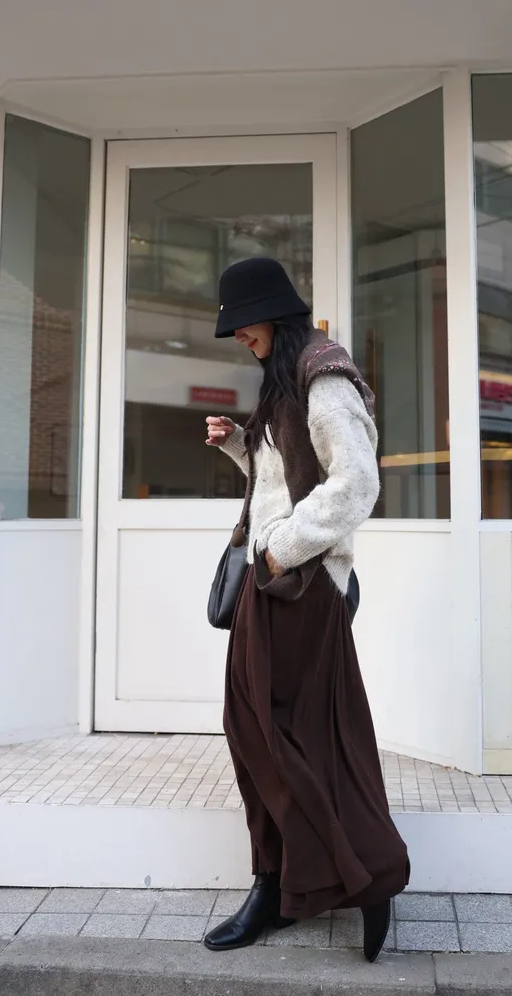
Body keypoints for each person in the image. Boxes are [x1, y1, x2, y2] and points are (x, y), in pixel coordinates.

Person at [203, 257, 409, 963]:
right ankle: (285, 883)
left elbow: (356, 483)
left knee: (292, 740)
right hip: (274, 582)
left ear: (271, 314)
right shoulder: (289, 377)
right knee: (255, 733)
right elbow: (286, 482)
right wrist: (240, 446)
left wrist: (279, 550)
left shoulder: (325, 377)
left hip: (298, 585)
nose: (239, 338)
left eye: (243, 325)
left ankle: (360, 877)